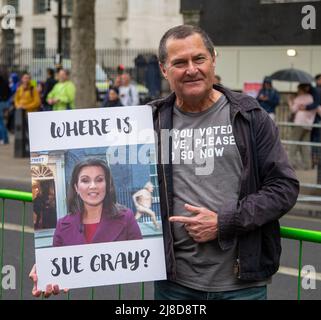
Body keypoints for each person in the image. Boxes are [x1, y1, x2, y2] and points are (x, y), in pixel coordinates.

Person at [150, 25, 298, 300]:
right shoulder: (149, 122)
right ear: (164, 69)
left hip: (241, 286)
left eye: (199, 59)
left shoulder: (251, 116)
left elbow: (284, 188)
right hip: (174, 286)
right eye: (180, 63)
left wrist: (224, 222)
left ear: (214, 59)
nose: (191, 69)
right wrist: (55, 267)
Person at [52, 158, 142, 246]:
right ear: (76, 187)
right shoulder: (62, 226)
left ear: (107, 185)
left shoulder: (126, 218)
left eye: (99, 180)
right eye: (85, 180)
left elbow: (140, 257)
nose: (93, 186)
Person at [288, 84, 315, 170]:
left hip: (299, 123)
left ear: (301, 90)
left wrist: (290, 101)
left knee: (293, 142)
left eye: (298, 89)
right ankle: (307, 165)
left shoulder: (299, 98)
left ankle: (290, 163)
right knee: (305, 145)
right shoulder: (311, 97)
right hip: (309, 124)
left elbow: (293, 109)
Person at [0, 69, 10, 144]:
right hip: (5, 103)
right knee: (3, 122)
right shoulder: (5, 82)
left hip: (1, 103)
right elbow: (9, 92)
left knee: (1, 122)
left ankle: (4, 139)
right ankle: (4, 138)